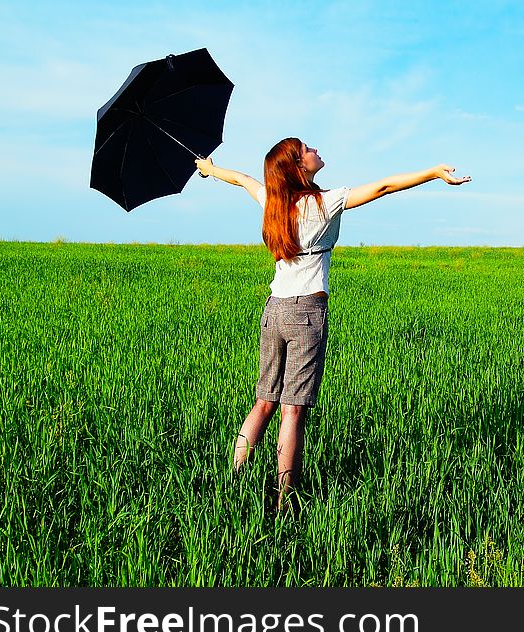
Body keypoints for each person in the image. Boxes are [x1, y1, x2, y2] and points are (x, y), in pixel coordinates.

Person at [195, 137, 471, 513]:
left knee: (264, 402)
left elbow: (244, 180)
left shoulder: (273, 203)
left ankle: (234, 480)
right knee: (293, 410)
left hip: (273, 310)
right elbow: (384, 186)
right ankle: (285, 503)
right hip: (307, 313)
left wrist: (210, 171)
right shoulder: (324, 203)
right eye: (307, 149)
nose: (314, 150)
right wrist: (432, 173)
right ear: (299, 167)